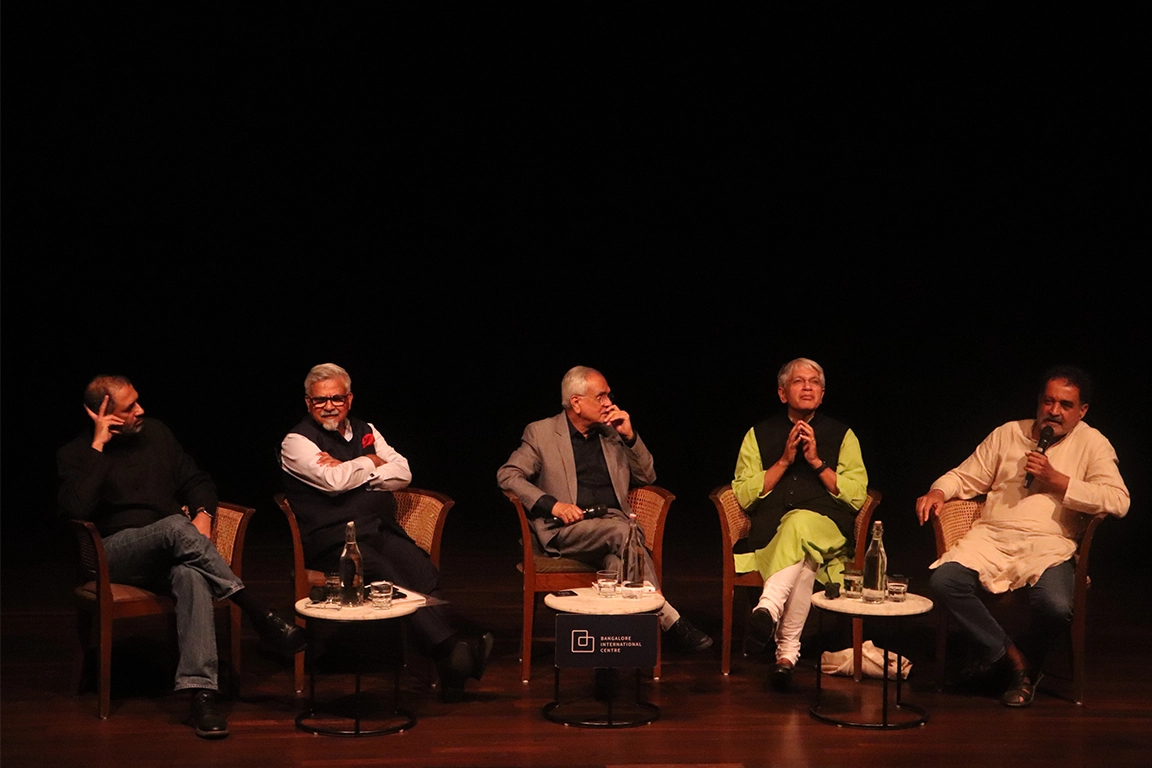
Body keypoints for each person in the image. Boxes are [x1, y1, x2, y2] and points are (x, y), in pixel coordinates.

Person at [58, 375, 305, 740]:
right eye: (129, 407)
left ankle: (202, 694)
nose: (141, 410)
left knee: (192, 575)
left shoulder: (157, 434)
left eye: (138, 401)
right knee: (175, 525)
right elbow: (75, 509)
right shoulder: (77, 453)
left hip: (170, 549)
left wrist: (203, 513)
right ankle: (256, 610)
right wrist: (99, 446)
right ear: (102, 414)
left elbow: (197, 480)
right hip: (111, 555)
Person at [916, 365, 1129, 707]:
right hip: (992, 537)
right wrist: (939, 491)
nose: (1054, 411)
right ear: (1039, 401)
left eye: (1066, 405)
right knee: (945, 581)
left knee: (1056, 606)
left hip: (1049, 545)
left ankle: (1010, 665)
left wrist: (1058, 480)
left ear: (1082, 411)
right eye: (1049, 401)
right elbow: (964, 476)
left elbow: (1118, 500)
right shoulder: (1008, 433)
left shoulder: (1092, 443)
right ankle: (1015, 663)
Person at [279, 363, 492, 701]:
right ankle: (452, 651)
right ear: (308, 403)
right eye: (320, 400)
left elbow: (403, 472)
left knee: (420, 568)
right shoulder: (296, 442)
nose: (329, 406)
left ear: (349, 399)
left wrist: (355, 470)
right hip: (331, 540)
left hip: (376, 529)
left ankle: (450, 662)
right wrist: (372, 462)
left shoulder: (367, 430)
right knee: (386, 572)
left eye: (336, 398)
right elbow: (333, 482)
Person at [497, 366, 713, 653]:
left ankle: (609, 661)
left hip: (612, 525)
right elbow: (508, 475)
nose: (609, 403)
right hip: (567, 528)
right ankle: (669, 617)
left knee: (616, 563)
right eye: (601, 396)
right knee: (625, 533)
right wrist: (554, 505)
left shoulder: (612, 434)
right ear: (576, 402)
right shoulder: (542, 433)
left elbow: (647, 477)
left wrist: (630, 436)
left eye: (609, 395)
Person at [731, 358, 868, 690]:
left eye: (814, 382)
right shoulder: (758, 434)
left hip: (829, 528)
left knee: (800, 521)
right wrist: (784, 460)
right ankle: (786, 657)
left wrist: (816, 462)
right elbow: (744, 494)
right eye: (798, 381)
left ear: (822, 394)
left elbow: (856, 496)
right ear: (782, 393)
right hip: (775, 532)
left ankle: (768, 607)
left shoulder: (843, 435)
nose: (807, 387)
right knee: (805, 559)